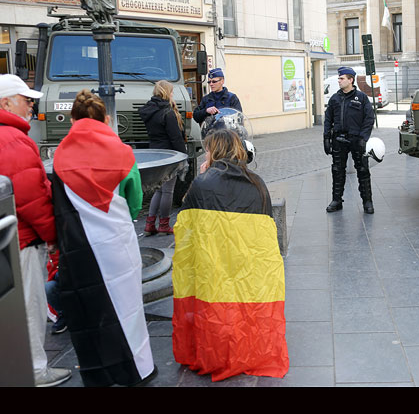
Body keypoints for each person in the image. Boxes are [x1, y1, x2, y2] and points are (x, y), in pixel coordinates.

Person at [50, 89, 156, 387]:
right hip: (117, 243)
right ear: (106, 118)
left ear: (73, 119)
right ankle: (137, 369)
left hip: (80, 247)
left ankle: (97, 373)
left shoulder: (61, 154)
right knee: (127, 307)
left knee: (89, 309)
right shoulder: (122, 151)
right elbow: (135, 199)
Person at [172, 128, 289, 382]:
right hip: (249, 264)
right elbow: (267, 230)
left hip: (214, 263)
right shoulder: (257, 182)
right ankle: (247, 348)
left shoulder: (203, 183)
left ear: (214, 151)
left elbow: (185, 223)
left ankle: (220, 348)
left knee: (218, 301)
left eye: (208, 149)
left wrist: (200, 178)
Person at [0, 74, 72, 387]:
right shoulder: (13, 139)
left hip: (14, 239)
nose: (31, 105)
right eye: (25, 99)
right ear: (6, 103)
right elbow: (31, 196)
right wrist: (53, 235)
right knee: (30, 307)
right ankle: (35, 371)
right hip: (23, 241)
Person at [323, 66, 376, 214]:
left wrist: (363, 138)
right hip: (339, 139)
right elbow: (328, 120)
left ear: (350, 80)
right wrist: (326, 138)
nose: (339, 81)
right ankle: (336, 200)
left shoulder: (362, 98)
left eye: (342, 78)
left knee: (363, 170)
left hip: (356, 139)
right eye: (339, 78)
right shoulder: (335, 98)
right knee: (337, 170)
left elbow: (369, 118)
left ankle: (367, 202)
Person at [138, 80, 187, 235]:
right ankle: (164, 224)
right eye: (171, 91)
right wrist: (183, 157)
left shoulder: (150, 111)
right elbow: (176, 138)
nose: (173, 94)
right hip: (170, 155)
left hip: (155, 152)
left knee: (158, 190)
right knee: (167, 191)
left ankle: (150, 224)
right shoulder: (168, 113)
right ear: (167, 92)